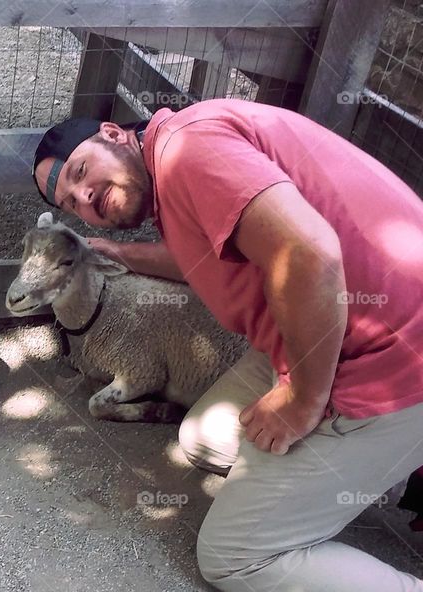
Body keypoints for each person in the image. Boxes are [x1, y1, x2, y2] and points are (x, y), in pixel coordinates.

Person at [31, 98, 423, 591]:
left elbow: (309, 255)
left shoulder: (188, 151)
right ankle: (375, 464)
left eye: (81, 172)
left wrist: (302, 400)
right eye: (72, 203)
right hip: (341, 336)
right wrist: (119, 254)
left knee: (234, 559)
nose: (86, 197)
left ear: (112, 133)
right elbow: (206, 253)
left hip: (390, 360)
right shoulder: (172, 152)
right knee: (204, 437)